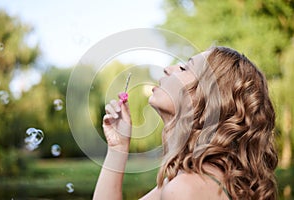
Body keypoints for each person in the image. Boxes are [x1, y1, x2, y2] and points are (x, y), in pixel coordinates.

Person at [92, 46, 278, 200]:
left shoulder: (185, 189)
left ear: (211, 100)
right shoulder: (202, 180)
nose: (167, 69)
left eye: (184, 68)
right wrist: (118, 147)